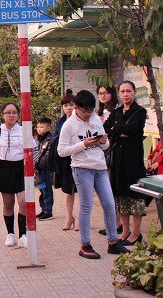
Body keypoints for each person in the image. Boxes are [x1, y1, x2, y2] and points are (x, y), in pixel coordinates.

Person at [57, 90, 130, 259]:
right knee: (86, 206)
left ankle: (113, 242)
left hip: (100, 167)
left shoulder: (96, 119)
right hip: (81, 168)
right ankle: (85, 245)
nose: (88, 115)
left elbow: (105, 147)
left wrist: (104, 142)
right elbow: (61, 151)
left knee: (110, 204)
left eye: (91, 111)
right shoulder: (69, 125)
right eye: (85, 111)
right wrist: (83, 144)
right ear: (77, 107)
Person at [104, 80, 147, 246]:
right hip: (118, 160)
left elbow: (133, 129)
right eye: (122, 92)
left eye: (128, 91)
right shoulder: (116, 112)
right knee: (120, 196)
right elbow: (106, 129)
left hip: (133, 161)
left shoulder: (140, 112)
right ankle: (125, 230)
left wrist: (116, 130)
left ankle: (136, 233)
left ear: (134, 93)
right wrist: (117, 132)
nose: (125, 94)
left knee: (135, 196)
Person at [0, 102, 34, 248]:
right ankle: (10, 234)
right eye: (8, 112)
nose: (11, 115)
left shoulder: (24, 130)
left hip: (21, 168)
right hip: (4, 168)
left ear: (18, 114)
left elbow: (34, 150)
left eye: (14, 112)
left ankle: (23, 235)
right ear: (2, 115)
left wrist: (32, 166)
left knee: (23, 202)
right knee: (8, 204)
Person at [96, 85, 122, 236]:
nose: (103, 96)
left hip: (112, 152)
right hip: (101, 153)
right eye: (100, 93)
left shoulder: (116, 111)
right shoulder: (99, 112)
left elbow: (112, 132)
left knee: (112, 190)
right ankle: (112, 223)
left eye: (106, 93)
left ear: (112, 94)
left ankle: (116, 224)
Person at [53, 90, 78, 231]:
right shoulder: (60, 122)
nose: (69, 108)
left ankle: (79, 219)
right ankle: (69, 217)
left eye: (72, 104)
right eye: (66, 105)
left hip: (80, 159)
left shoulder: (80, 120)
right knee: (69, 190)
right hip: (65, 160)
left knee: (81, 190)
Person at [34, 117, 55, 221]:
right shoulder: (37, 139)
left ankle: (48, 211)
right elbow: (35, 152)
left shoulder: (50, 140)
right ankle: (43, 209)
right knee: (42, 189)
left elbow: (47, 156)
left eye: (42, 127)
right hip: (38, 169)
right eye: (37, 127)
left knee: (47, 190)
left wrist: (38, 166)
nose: (39, 129)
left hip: (45, 169)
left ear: (48, 127)